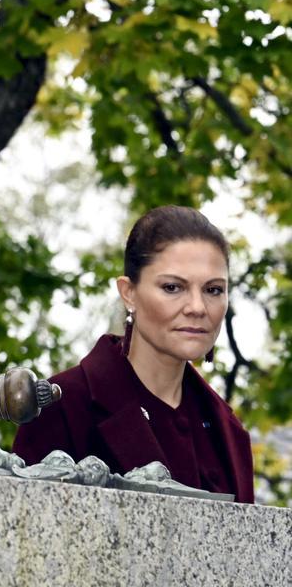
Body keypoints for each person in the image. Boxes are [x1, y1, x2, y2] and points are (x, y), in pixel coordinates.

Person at [13, 206, 254, 503]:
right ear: (129, 293)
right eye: (172, 287)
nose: (197, 307)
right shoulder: (62, 406)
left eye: (213, 290)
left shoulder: (229, 432)